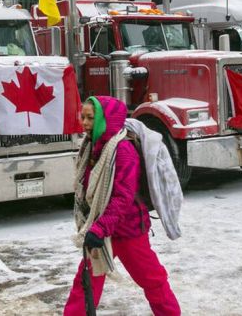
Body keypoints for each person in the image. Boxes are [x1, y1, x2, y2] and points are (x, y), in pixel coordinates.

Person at [63, 95, 180, 315]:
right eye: (83, 117)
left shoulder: (123, 150)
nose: (85, 123)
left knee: (152, 280)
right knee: (85, 281)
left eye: (90, 118)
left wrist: (99, 228)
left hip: (128, 231)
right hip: (102, 228)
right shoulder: (93, 146)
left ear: (105, 120)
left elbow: (122, 197)